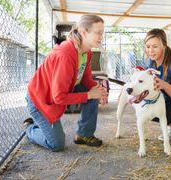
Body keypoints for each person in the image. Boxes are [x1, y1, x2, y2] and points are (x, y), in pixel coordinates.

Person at [23, 15, 108, 152]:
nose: (101, 36)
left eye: (102, 33)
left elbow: (85, 79)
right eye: (98, 32)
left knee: (92, 94)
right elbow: (59, 97)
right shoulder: (65, 55)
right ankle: (30, 128)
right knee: (56, 144)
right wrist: (89, 95)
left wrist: (99, 90)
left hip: (59, 92)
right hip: (40, 100)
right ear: (83, 32)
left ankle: (84, 135)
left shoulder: (86, 52)